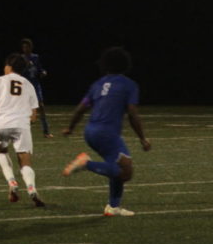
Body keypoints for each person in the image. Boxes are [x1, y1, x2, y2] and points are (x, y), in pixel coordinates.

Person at [60, 46, 152, 217]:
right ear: (125, 64)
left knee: (120, 165)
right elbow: (132, 113)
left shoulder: (97, 84)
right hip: (107, 133)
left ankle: (113, 207)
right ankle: (85, 163)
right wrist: (143, 138)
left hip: (91, 131)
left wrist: (70, 128)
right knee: (126, 172)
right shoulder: (129, 85)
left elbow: (81, 108)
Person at [0, 52, 46, 207]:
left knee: (2, 152)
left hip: (1, 124)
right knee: (25, 160)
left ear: (9, 66)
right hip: (21, 124)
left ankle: (12, 183)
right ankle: (31, 188)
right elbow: (34, 115)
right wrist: (25, 120)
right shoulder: (28, 84)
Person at [19, 38, 53, 138]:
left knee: (41, 106)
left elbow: (39, 69)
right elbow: (19, 72)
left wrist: (43, 72)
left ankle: (46, 131)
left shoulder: (35, 57)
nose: (25, 49)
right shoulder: (21, 58)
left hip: (35, 85)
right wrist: (25, 66)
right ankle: (20, 131)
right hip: (25, 86)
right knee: (23, 109)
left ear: (31, 47)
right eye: (23, 47)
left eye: (27, 47)